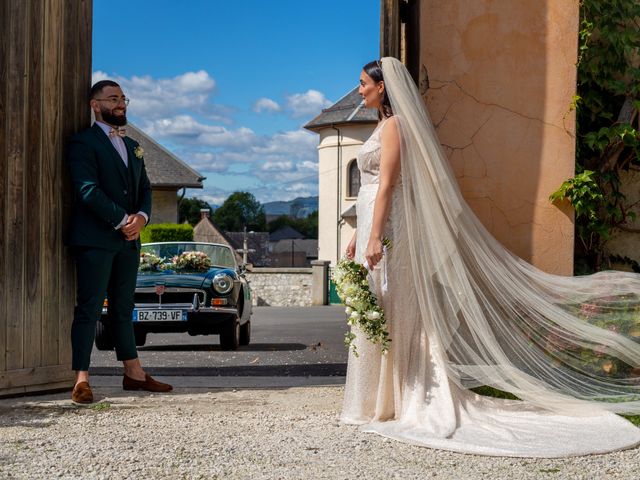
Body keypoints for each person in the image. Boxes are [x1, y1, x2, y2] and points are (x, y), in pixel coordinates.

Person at [341, 57, 640, 456]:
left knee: (390, 305)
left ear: (382, 88)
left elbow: (390, 185)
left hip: (388, 229)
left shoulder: (394, 126)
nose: (359, 90)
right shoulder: (380, 125)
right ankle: (376, 399)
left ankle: (397, 396)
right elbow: (371, 187)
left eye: (363, 84)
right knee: (376, 304)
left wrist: (375, 235)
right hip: (372, 226)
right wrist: (359, 232)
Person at [67, 80, 172, 404]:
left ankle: (134, 373)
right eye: (113, 98)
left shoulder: (132, 146)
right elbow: (87, 189)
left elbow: (145, 189)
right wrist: (122, 220)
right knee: (89, 307)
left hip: (129, 241)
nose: (120, 104)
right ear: (95, 105)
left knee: (124, 308)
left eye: (123, 98)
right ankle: (81, 379)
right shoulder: (83, 143)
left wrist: (141, 217)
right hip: (96, 239)